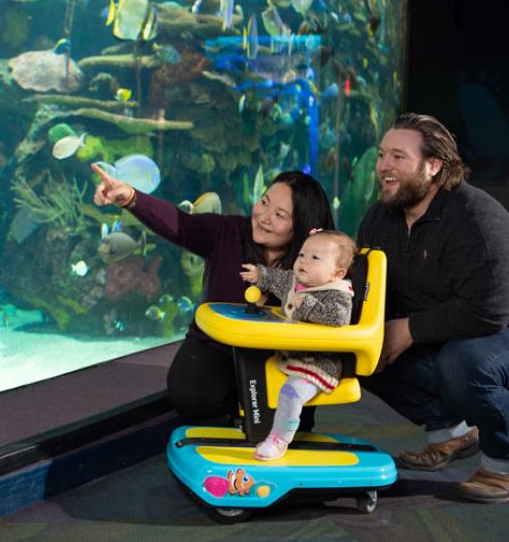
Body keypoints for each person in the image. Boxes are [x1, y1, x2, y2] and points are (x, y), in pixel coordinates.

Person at [357, 113, 509, 504]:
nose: (383, 166)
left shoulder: (476, 217)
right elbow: (369, 290)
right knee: (363, 351)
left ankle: (508, 460)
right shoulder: (379, 218)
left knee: (464, 361)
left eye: (398, 157)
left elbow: (487, 312)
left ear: (434, 166)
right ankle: (450, 434)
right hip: (451, 340)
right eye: (381, 155)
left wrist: (407, 329)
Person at [91, 163, 334, 428]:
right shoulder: (226, 233)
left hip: (281, 357)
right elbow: (181, 224)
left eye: (280, 215)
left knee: (292, 407)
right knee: (190, 393)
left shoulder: (315, 265)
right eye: (264, 202)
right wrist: (131, 198)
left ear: (301, 227)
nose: (264, 216)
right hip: (216, 349)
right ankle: (232, 411)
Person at [239, 229, 357, 460]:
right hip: (289, 356)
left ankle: (279, 439)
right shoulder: (293, 282)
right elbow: (276, 278)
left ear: (337, 273)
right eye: (302, 254)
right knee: (251, 371)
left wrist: (311, 306)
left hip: (318, 365)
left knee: (290, 393)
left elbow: (340, 317)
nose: (303, 261)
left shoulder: (337, 293)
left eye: (315, 258)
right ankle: (251, 425)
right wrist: (259, 275)